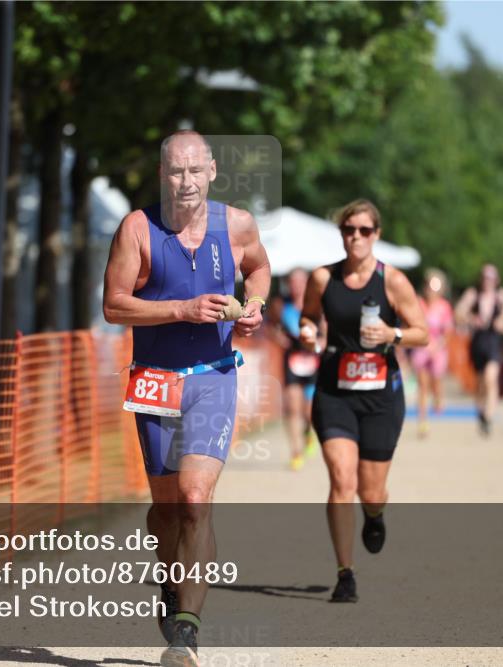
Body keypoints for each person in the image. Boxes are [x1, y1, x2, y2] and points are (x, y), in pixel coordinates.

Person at [102, 130, 271, 667]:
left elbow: (259, 270)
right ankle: (170, 583)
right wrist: (181, 309)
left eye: (196, 171)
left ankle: (187, 634)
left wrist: (255, 305)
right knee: (167, 509)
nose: (186, 181)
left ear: (213, 171)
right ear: (161, 174)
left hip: (214, 377)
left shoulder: (238, 224)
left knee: (196, 500)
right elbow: (114, 306)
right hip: (155, 379)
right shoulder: (137, 228)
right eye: (177, 171)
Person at [298, 199, 428, 603]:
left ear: (377, 235)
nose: (356, 237)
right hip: (335, 390)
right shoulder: (323, 278)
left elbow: (422, 331)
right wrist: (307, 331)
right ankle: (345, 574)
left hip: (380, 396)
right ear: (341, 234)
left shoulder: (394, 282)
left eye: (364, 230)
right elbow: (308, 315)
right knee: (341, 478)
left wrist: (394, 335)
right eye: (349, 230)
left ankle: (374, 516)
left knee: (371, 492)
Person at [454, 264, 503, 436]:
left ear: (496, 280)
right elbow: (458, 311)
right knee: (480, 382)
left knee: (491, 378)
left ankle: (488, 416)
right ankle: (481, 410)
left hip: (494, 341)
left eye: (491, 278)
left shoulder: (501, 295)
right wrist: (470, 318)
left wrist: (502, 319)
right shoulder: (473, 294)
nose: (488, 282)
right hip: (478, 342)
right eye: (485, 278)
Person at [275, 268, 320, 469]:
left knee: (309, 413)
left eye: (300, 282)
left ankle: (308, 433)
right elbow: (268, 326)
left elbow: (327, 331)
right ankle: (296, 452)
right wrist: (278, 337)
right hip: (292, 361)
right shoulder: (281, 306)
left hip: (313, 363)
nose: (296, 286)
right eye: (293, 282)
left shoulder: (315, 305)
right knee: (292, 407)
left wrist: (320, 343)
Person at [409, 269, 454, 438]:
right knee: (422, 385)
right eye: (429, 285)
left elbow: (448, 332)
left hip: (438, 347)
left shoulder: (444, 306)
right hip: (421, 346)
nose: (431, 289)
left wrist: (437, 346)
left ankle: (438, 397)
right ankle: (423, 420)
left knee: (436, 379)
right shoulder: (419, 303)